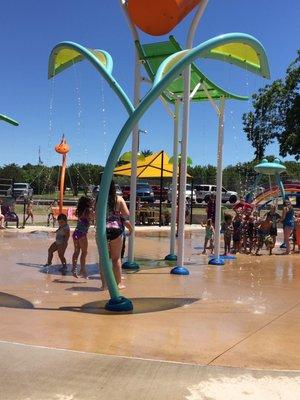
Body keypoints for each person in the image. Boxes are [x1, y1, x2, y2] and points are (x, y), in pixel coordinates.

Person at [100, 180, 133, 290]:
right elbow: (127, 214)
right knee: (116, 258)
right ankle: (118, 283)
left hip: (102, 230)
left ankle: (104, 285)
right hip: (115, 230)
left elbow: (95, 214)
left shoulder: (100, 199)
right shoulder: (119, 199)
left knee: (103, 258)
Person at [72, 196, 94, 278]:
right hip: (82, 235)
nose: (92, 202)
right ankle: (83, 270)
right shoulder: (88, 210)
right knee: (84, 253)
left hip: (76, 233)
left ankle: (74, 269)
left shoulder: (80, 211)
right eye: (90, 201)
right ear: (87, 203)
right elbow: (94, 217)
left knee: (76, 251)